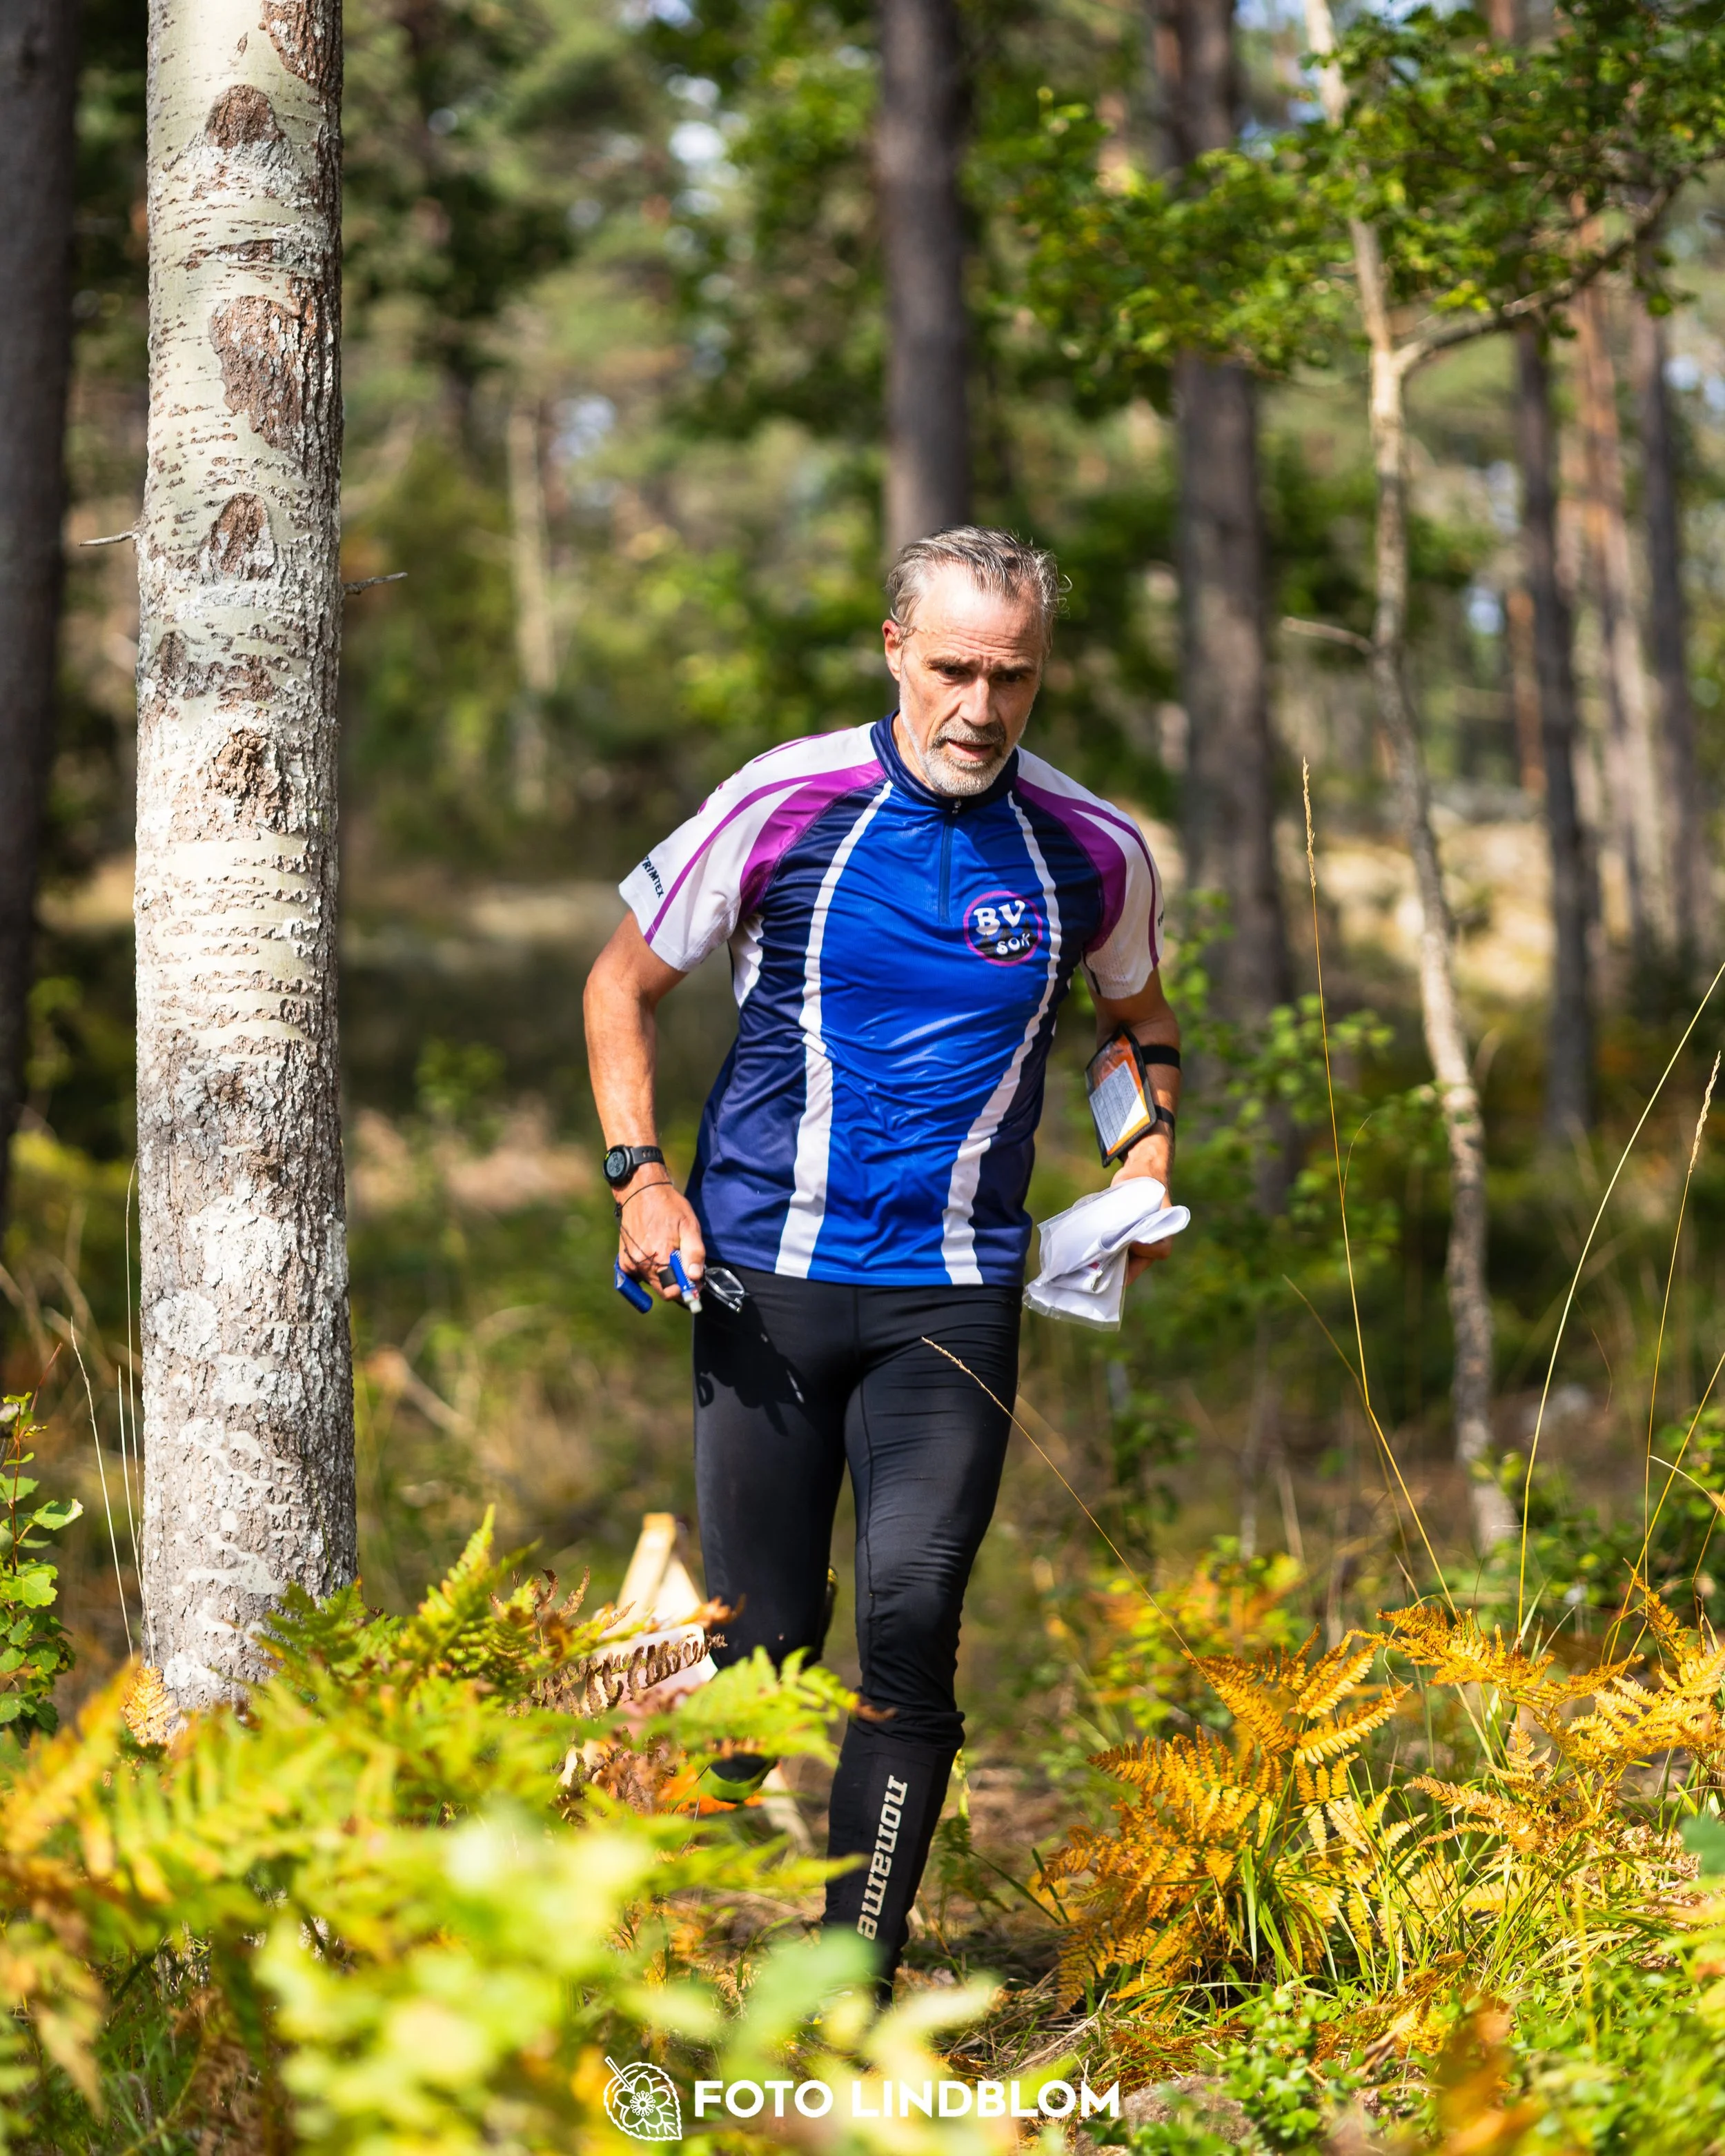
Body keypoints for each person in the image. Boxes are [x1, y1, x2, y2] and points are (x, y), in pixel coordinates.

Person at [582, 526, 1180, 1985]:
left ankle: (844, 1989)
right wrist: (637, 1176)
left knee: (912, 1620)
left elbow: (1134, 1021)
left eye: (1014, 676)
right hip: (763, 1279)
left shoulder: (1091, 847)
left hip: (953, 1293)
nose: (981, 705)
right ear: (896, 651)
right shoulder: (785, 799)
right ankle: (628, 1868)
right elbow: (621, 980)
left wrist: (1143, 1155)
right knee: (767, 1648)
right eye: (955, 668)